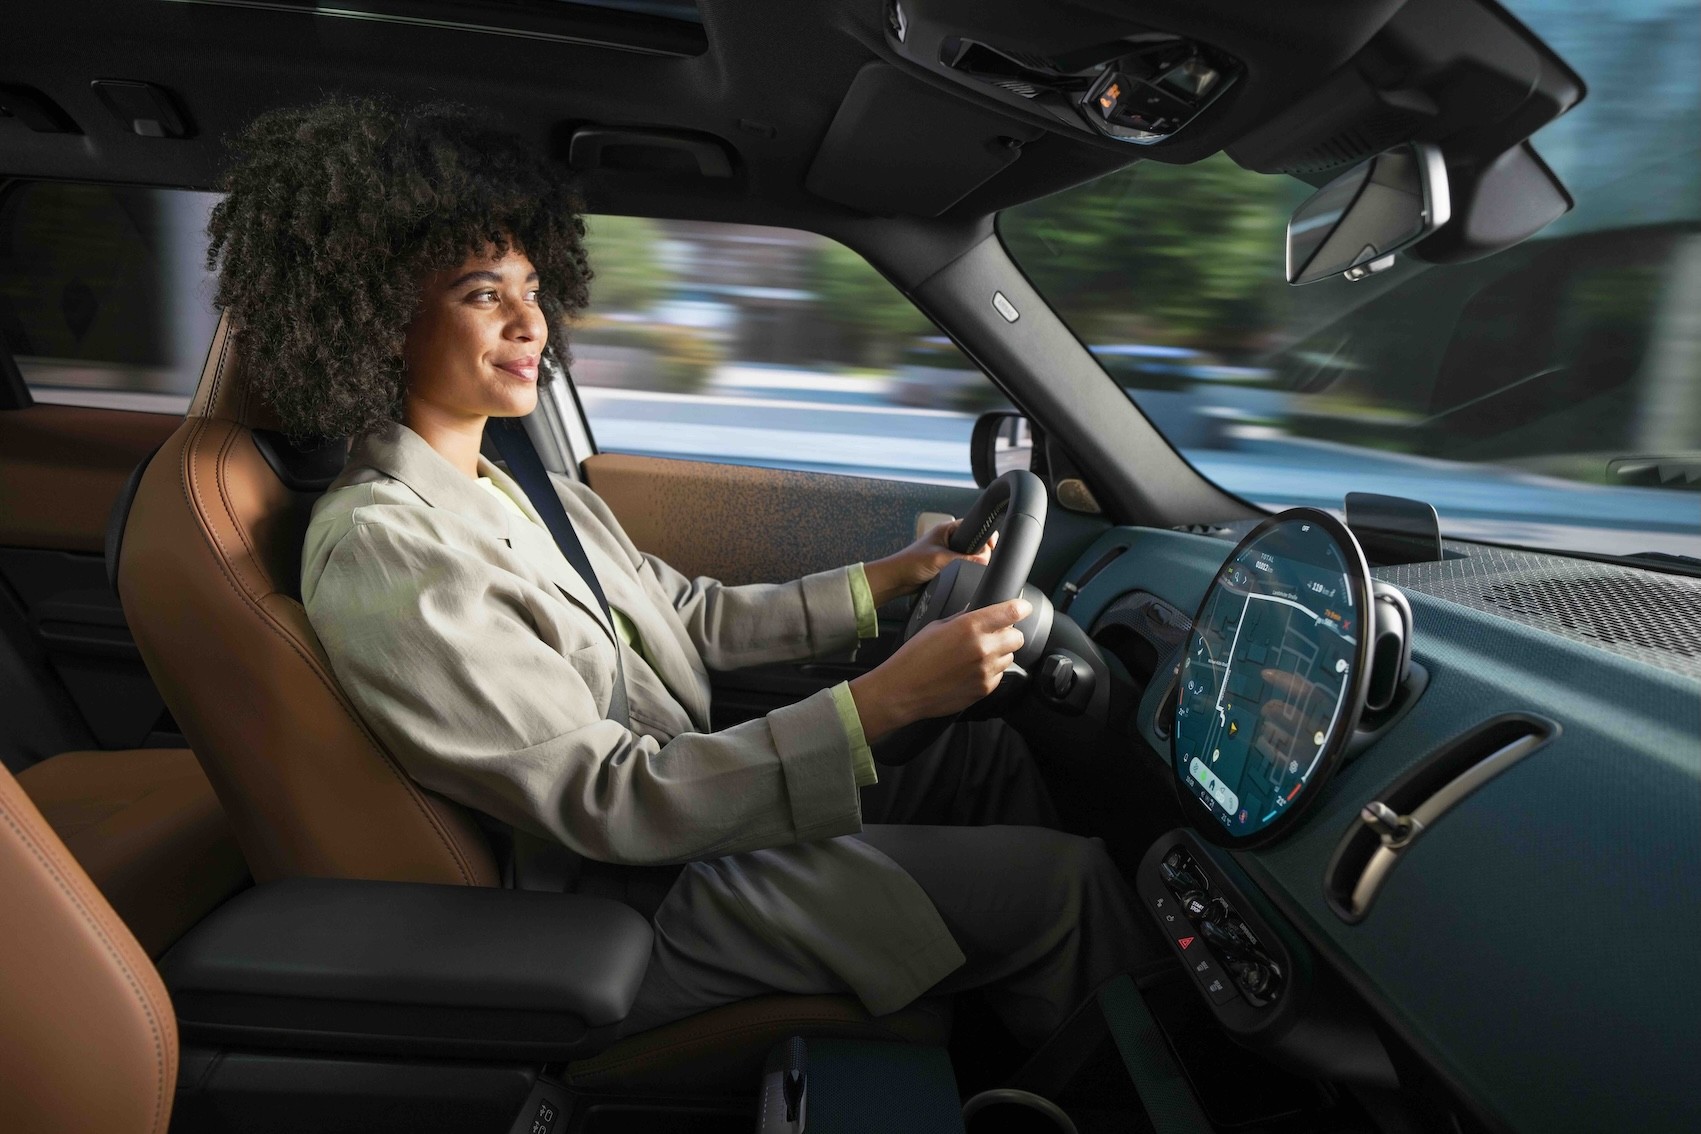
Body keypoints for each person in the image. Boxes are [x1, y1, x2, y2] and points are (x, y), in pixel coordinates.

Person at [209, 96, 1150, 1048]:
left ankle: (990, 1038)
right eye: (483, 295)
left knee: (982, 754)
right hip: (637, 895)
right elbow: (608, 800)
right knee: (1065, 884)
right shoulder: (388, 547)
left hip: (689, 811)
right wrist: (885, 700)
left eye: (532, 287)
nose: (533, 323)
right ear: (378, 319)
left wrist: (894, 577)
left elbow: (685, 616)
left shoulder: (518, 484)